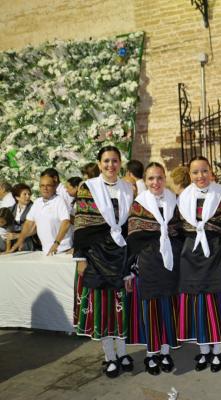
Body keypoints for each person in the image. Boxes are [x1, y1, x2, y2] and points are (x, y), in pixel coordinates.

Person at [72, 145, 135, 378]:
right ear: (99, 164)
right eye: (106, 161)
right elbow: (82, 225)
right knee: (104, 310)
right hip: (96, 257)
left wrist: (132, 262)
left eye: (115, 161)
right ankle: (109, 356)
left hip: (121, 257)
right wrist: (80, 258)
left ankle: (123, 352)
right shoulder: (88, 188)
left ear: (120, 163)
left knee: (121, 309)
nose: (111, 165)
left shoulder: (128, 188)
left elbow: (129, 226)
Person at [177, 156, 221, 373]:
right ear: (189, 175)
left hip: (216, 255)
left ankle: (218, 351)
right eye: (195, 172)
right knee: (198, 305)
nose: (200, 176)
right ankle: (203, 351)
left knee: (215, 304)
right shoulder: (182, 197)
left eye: (204, 171)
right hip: (191, 257)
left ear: (211, 172)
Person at [126, 162, 182, 375]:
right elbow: (133, 238)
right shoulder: (139, 205)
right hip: (148, 264)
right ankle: (151, 354)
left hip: (170, 264)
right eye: (151, 178)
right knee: (151, 311)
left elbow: (179, 231)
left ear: (164, 179)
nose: (155, 182)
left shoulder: (173, 201)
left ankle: (166, 352)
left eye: (159, 177)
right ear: (146, 181)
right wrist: (130, 270)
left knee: (168, 308)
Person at [8, 174, 72, 255]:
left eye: (48, 185)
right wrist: (20, 240)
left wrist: (56, 244)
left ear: (54, 187)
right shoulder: (37, 202)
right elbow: (28, 223)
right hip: (45, 250)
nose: (45, 188)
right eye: (42, 185)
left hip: (62, 249)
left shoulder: (60, 201)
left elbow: (66, 223)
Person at [7, 183, 36, 251]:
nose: (28, 196)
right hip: (11, 242)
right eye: (25, 194)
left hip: (29, 242)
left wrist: (18, 236)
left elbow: (36, 230)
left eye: (29, 194)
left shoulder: (34, 208)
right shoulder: (10, 210)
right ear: (17, 197)